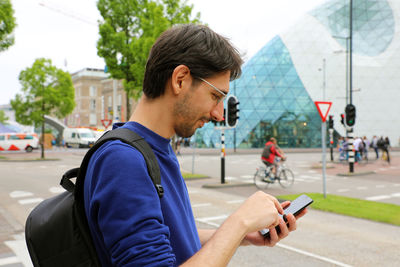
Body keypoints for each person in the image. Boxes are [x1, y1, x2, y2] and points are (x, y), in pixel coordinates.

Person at [83, 24, 306, 266]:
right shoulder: (124, 161)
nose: (219, 114)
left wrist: (243, 235)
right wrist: (239, 222)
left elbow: (171, 241)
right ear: (180, 80)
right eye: (216, 96)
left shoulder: (153, 150)